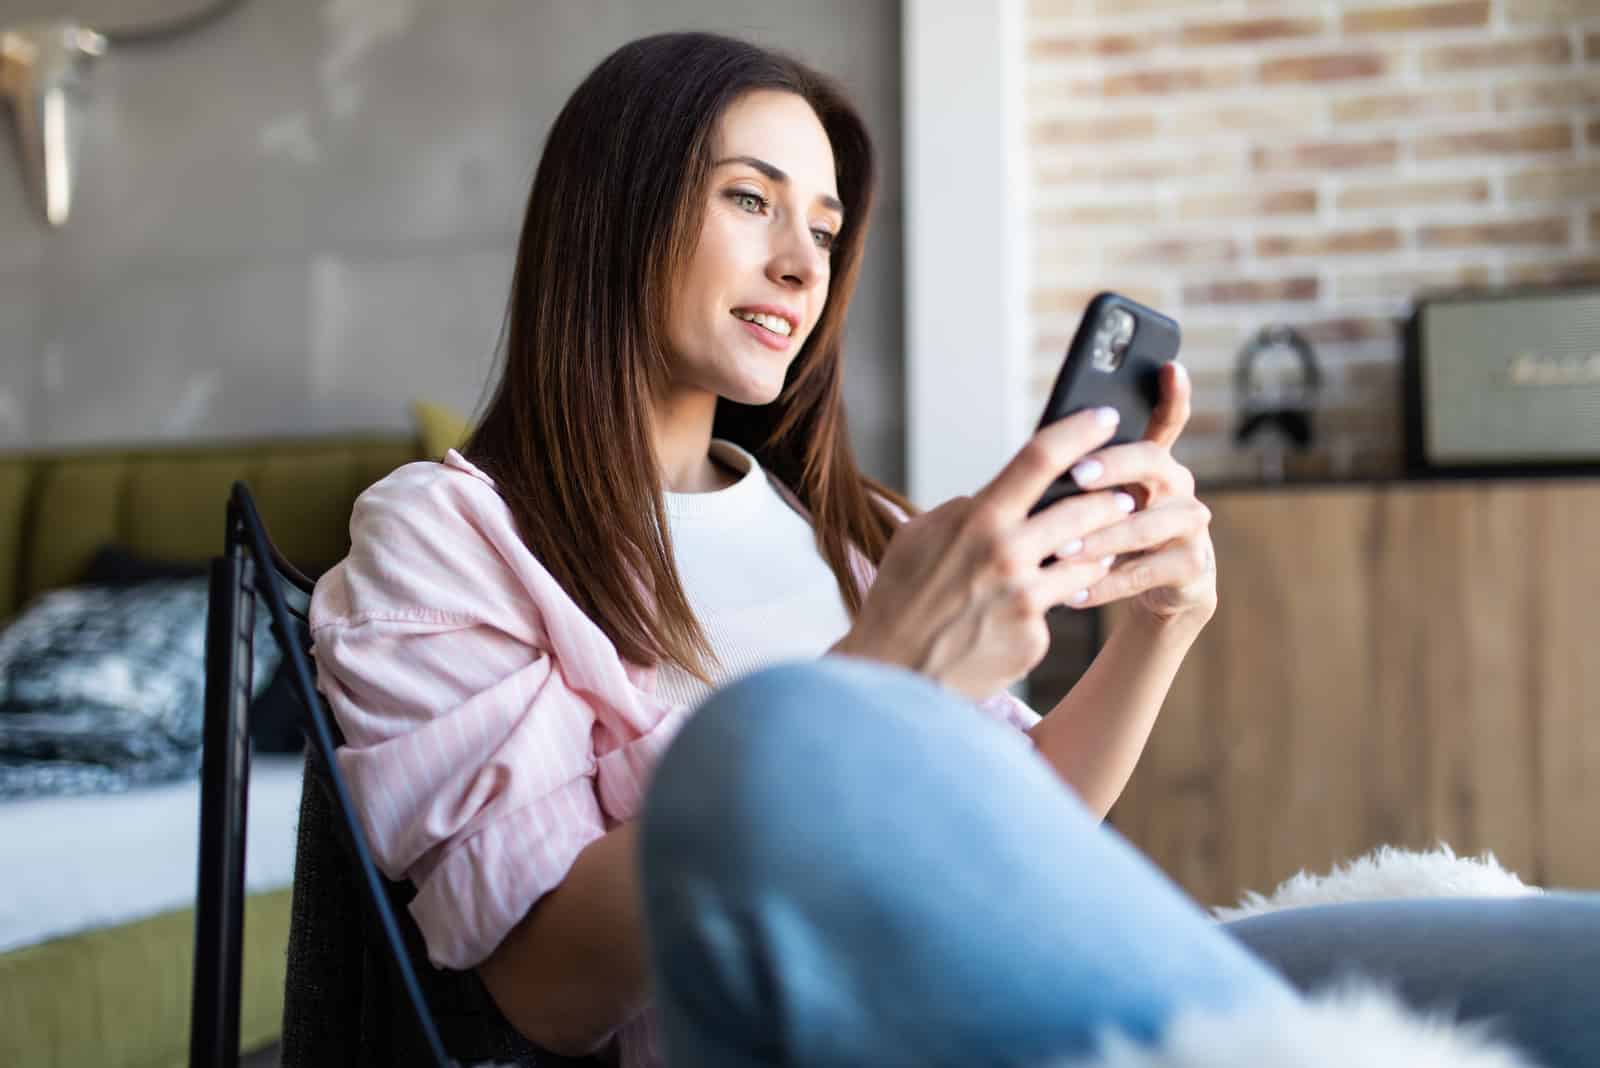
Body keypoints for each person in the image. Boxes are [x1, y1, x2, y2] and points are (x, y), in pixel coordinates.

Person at [308, 31, 1598, 1068]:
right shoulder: (448, 533)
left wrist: (1157, 630)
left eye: (820, 228)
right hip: (884, 1025)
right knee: (767, 742)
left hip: (1063, 957)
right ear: (613, 216)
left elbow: (1013, 821)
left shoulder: (854, 525)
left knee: (1572, 962)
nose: (797, 263)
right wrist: (874, 686)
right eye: (749, 200)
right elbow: (540, 990)